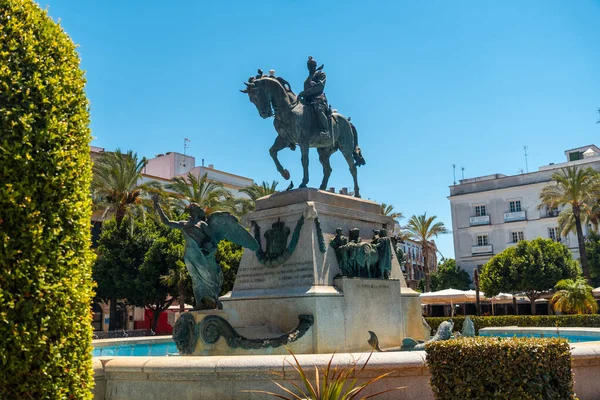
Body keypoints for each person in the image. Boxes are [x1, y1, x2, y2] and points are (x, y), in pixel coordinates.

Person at [298, 56, 330, 140]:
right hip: (307, 101)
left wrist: (305, 93)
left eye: (311, 65)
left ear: (315, 65)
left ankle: (326, 130)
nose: (309, 67)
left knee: (318, 110)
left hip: (318, 99)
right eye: (308, 65)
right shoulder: (308, 77)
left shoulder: (320, 74)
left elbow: (319, 87)